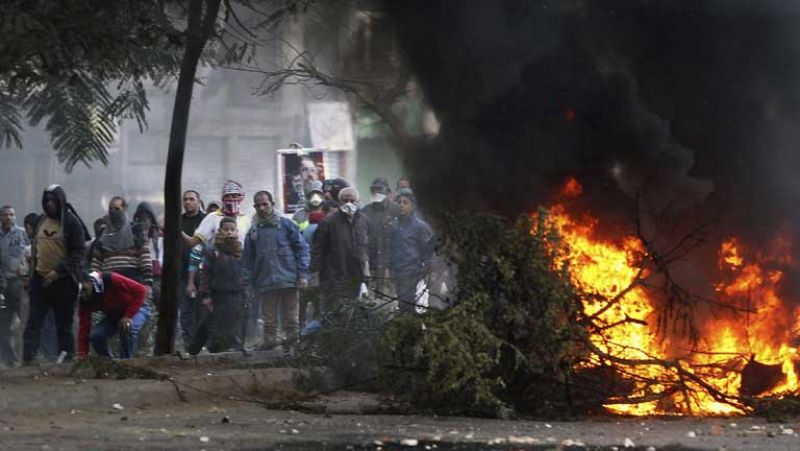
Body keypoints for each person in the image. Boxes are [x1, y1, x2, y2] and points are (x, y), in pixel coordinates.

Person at [23, 185, 90, 363]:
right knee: (33, 323)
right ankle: (27, 360)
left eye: (53, 200)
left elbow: (78, 252)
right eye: (47, 200)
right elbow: (36, 249)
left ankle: (66, 361)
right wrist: (32, 276)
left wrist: (59, 271)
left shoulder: (71, 223)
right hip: (40, 280)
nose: (50, 204)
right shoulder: (41, 221)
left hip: (64, 283)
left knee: (63, 325)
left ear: (61, 201)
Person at [242, 191, 309, 352]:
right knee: (269, 321)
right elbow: (248, 260)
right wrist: (247, 284)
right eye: (258, 205)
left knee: (291, 319)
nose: (261, 208)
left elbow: (302, 249)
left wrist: (302, 275)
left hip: (289, 280)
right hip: (265, 282)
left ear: (272, 204)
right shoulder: (253, 232)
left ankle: (293, 348)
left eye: (265, 204)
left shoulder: (287, 225)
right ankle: (270, 348)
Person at [188, 217, 248, 354]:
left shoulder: (239, 250)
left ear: (236, 231)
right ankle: (196, 349)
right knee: (210, 322)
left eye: (232, 229)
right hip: (217, 293)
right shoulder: (212, 250)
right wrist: (206, 295)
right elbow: (205, 274)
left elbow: (244, 273)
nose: (229, 232)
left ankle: (232, 348)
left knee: (233, 322)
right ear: (220, 231)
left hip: (235, 293)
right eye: (226, 229)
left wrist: (246, 291)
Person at [310, 187, 370, 318]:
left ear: (357, 201)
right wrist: (315, 276)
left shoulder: (363, 221)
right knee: (334, 313)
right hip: (333, 277)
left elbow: (366, 247)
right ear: (339, 202)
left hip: (355, 277)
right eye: (345, 200)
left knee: (353, 313)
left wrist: (366, 271)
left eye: (352, 200)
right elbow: (317, 250)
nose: (349, 203)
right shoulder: (328, 223)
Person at [77, 271, 149, 359]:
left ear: (89, 282)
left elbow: (141, 290)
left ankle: (127, 361)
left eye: (84, 290)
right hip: (114, 315)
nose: (83, 294)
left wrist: (128, 315)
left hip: (137, 308)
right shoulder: (84, 301)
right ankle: (109, 363)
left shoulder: (108, 279)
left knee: (127, 328)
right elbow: (84, 329)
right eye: (80, 293)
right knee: (96, 336)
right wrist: (82, 354)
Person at [389, 189, 433, 314]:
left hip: (413, 272)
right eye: (399, 202)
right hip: (396, 271)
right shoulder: (393, 225)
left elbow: (427, 251)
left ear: (412, 206)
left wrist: (427, 269)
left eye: (405, 202)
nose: (401, 205)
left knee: (409, 305)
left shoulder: (420, 227)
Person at [361, 178, 401, 298]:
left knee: (389, 301)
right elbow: (361, 240)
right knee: (371, 302)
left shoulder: (396, 210)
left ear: (387, 191)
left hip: (391, 267)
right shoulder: (365, 211)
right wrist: (365, 265)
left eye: (380, 189)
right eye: (374, 189)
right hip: (371, 266)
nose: (376, 192)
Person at [0, 206, 29, 367]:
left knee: (25, 322)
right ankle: (9, 361)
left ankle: (26, 357)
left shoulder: (22, 233)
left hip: (20, 284)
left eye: (11, 214)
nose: (8, 218)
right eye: (5, 215)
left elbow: (31, 253)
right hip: (3, 285)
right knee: (3, 326)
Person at [185, 180, 251, 248]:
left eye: (234, 196)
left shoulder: (246, 220)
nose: (230, 199)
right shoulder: (212, 217)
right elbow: (193, 242)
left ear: (241, 198)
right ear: (222, 198)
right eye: (227, 196)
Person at [179, 190, 206, 348]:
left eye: (191, 199)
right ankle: (189, 344)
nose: (188, 202)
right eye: (185, 199)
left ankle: (203, 343)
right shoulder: (178, 221)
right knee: (186, 310)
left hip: (203, 271)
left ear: (198, 201)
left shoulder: (205, 220)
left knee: (202, 309)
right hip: (182, 271)